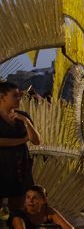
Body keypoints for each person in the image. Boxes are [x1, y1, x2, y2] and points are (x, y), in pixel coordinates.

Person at [0, 82, 41, 210]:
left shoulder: (23, 116)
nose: (19, 99)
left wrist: (26, 121)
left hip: (20, 167)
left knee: (17, 209)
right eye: (15, 96)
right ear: (2, 97)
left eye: (19, 96)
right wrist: (23, 140)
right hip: (1, 166)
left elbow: (36, 140)